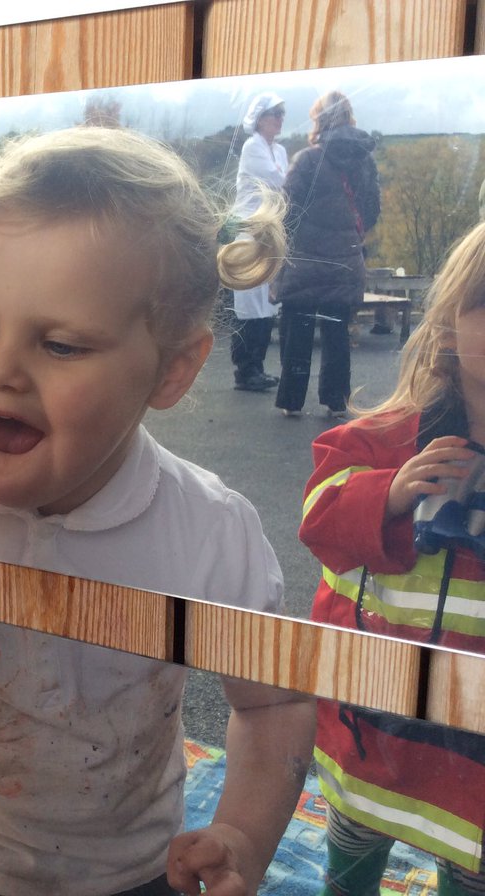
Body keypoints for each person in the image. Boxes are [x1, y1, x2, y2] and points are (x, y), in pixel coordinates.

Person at [0, 125, 317, 896]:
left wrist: (243, 838)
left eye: (60, 344)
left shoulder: (208, 535)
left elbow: (275, 704)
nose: (0, 370)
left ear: (174, 369)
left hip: (132, 871)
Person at [300, 221, 485, 896]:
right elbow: (319, 518)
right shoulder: (380, 439)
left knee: (467, 865)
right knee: (351, 860)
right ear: (446, 330)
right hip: (370, 729)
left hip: (474, 758)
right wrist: (393, 494)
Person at [274, 90, 380, 418]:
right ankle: (336, 401)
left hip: (306, 258)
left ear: (319, 119)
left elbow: (287, 209)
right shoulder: (365, 161)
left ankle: (292, 401)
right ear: (349, 117)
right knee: (337, 331)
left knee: (298, 330)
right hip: (345, 259)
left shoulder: (307, 159)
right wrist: (351, 234)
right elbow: (372, 209)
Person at [230, 92, 289, 392]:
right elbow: (278, 181)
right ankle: (245, 368)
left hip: (268, 232)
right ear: (260, 119)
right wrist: (281, 177)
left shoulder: (278, 150)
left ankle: (257, 367)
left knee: (266, 303)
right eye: (274, 114)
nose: (280, 119)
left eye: (282, 114)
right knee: (250, 301)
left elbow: (282, 182)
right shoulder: (253, 146)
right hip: (251, 231)